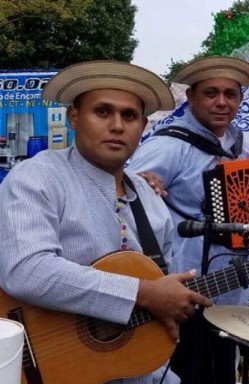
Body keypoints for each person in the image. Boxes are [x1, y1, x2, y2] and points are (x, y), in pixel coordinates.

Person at [0, 61, 212, 383]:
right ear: (73, 117)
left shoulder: (151, 199)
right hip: (50, 369)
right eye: (102, 112)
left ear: (143, 125)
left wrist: (170, 305)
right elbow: (27, 271)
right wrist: (142, 293)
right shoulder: (37, 178)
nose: (117, 126)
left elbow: (163, 284)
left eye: (129, 116)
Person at [127, 56, 249, 384]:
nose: (221, 102)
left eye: (230, 94)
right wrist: (139, 181)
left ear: (240, 99)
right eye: (210, 93)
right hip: (182, 299)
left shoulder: (239, 148)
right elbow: (126, 196)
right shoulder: (170, 144)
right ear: (191, 97)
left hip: (225, 296)